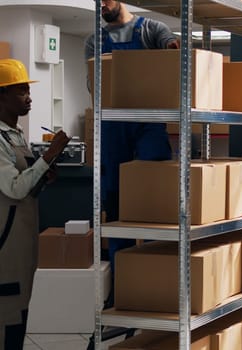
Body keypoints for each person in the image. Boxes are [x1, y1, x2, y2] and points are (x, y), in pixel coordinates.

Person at [84, 0, 179, 276]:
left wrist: (172, 51)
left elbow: (172, 52)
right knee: (115, 204)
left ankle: (152, 277)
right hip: (112, 124)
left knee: (152, 196)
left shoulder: (152, 29)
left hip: (149, 121)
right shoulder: (94, 41)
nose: (102, 5)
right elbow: (94, 84)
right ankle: (124, 283)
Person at [0, 58, 70, 350]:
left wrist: (44, 175)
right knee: (7, 316)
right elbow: (15, 188)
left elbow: (27, 185)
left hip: (23, 239)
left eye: (28, 90)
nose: (28, 97)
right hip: (5, 243)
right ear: (1, 95)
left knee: (21, 310)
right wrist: (48, 153)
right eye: (20, 91)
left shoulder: (16, 135)